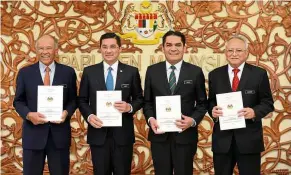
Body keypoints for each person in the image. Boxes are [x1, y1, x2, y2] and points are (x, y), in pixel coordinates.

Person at [208, 35, 274, 175]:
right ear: (225, 53)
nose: (234, 54)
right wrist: (212, 110)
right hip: (222, 141)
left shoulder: (259, 74)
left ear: (246, 52)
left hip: (249, 140)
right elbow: (211, 101)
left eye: (238, 50)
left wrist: (254, 112)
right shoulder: (215, 75)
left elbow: (268, 103)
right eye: (230, 50)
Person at [78, 33, 144, 175]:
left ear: (120, 49)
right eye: (105, 47)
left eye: (113, 47)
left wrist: (129, 107)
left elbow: (139, 98)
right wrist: (89, 116)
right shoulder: (89, 72)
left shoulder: (131, 72)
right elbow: (82, 100)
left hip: (123, 135)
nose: (108, 50)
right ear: (100, 49)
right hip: (98, 133)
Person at [143, 30, 208, 175]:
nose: (173, 48)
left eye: (178, 45)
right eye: (169, 45)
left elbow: (203, 104)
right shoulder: (152, 71)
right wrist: (151, 119)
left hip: (185, 136)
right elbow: (147, 102)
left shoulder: (195, 72)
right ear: (163, 47)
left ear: (185, 48)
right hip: (159, 135)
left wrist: (192, 121)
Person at [13, 35, 77, 175]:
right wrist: (29, 115)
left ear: (56, 50)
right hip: (33, 135)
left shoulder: (68, 72)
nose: (44, 51)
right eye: (41, 48)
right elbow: (18, 101)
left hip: (59, 136)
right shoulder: (25, 73)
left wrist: (66, 113)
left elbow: (73, 100)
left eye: (48, 48)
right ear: (36, 50)